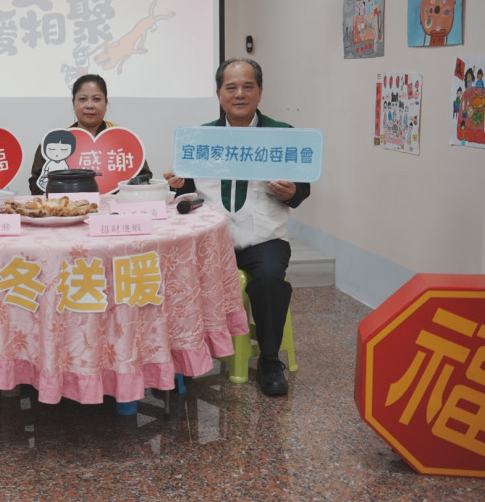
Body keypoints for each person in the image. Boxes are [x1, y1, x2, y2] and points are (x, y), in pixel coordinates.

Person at [166, 58, 310, 397]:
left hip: (264, 239)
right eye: (231, 87)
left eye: (248, 86)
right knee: (174, 275)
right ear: (219, 93)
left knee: (270, 279)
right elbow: (188, 193)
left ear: (260, 91)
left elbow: (301, 191)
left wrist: (292, 191)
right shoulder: (200, 138)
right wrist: (178, 185)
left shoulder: (283, 135)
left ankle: (270, 360)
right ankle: (184, 358)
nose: (240, 94)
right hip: (210, 241)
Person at [28, 73, 152, 195]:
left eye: (96, 99)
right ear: (73, 102)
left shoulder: (124, 139)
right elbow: (36, 184)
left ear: (106, 102)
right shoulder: (55, 142)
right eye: (82, 99)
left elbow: (144, 178)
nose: (89, 105)